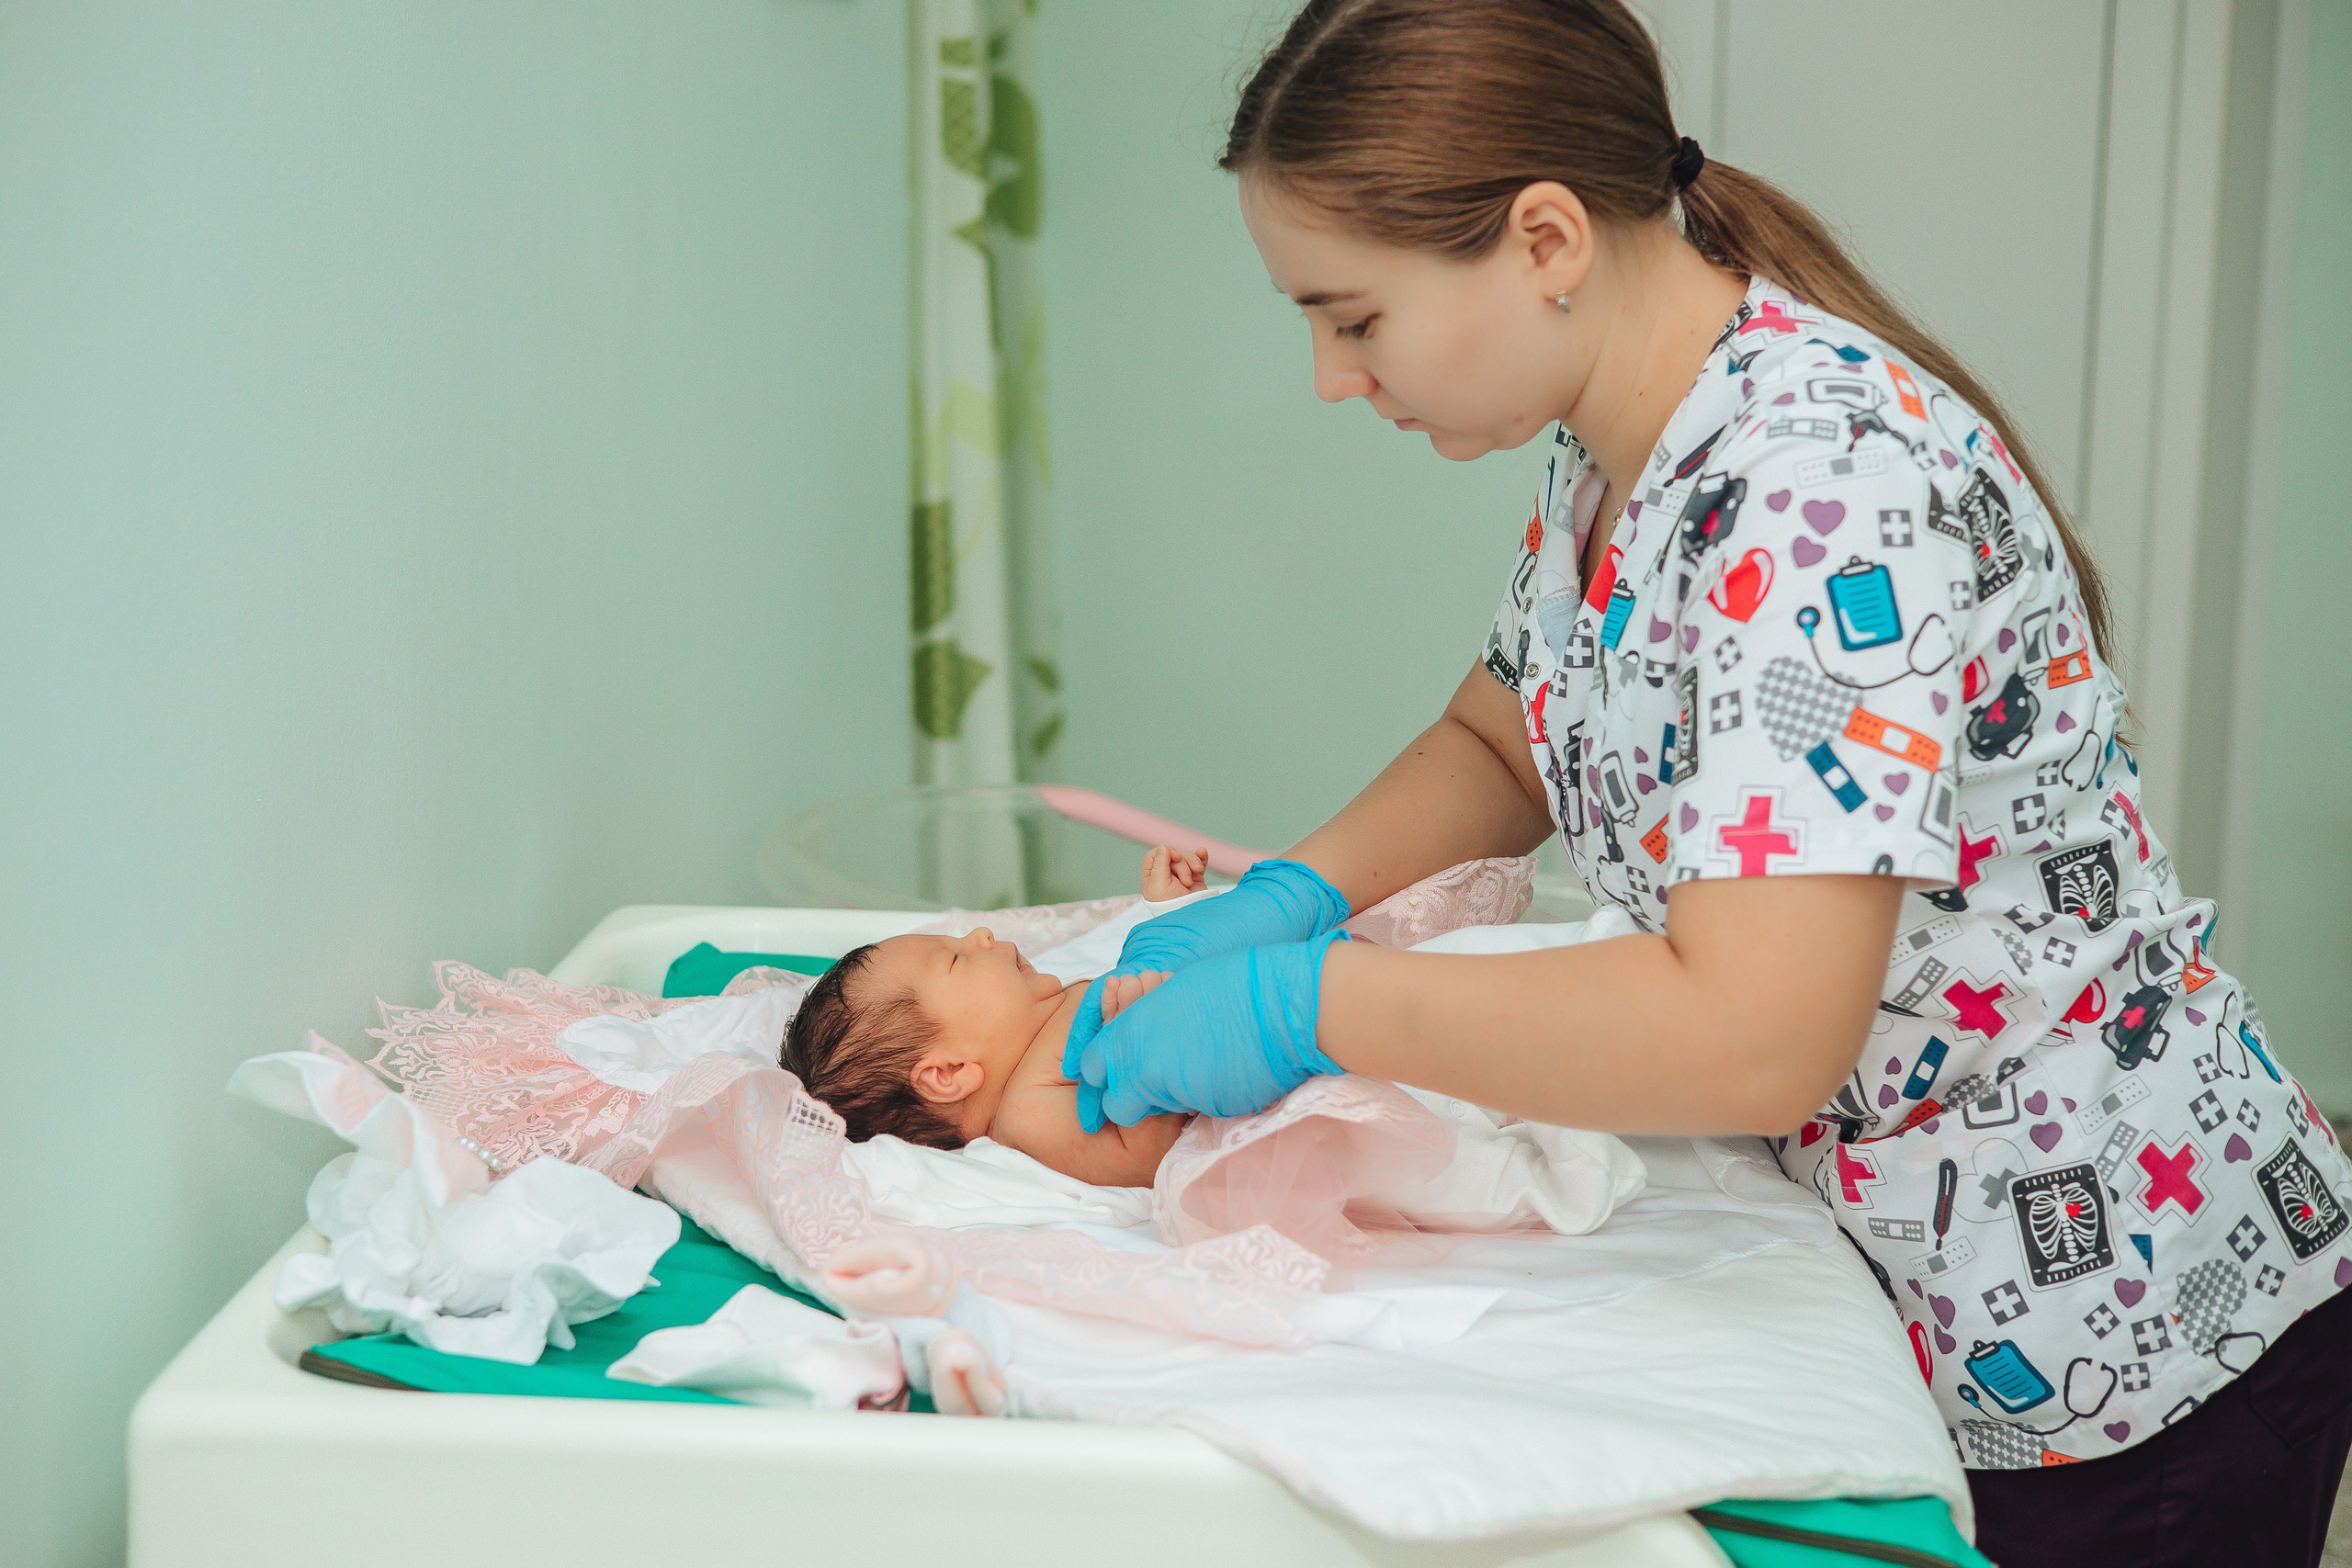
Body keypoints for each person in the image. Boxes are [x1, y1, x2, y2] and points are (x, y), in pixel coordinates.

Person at [1057, 4, 2352, 1563]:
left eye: (1354, 317)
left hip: (2115, 1325)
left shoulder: (1819, 491)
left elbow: (1755, 1035)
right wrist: (1297, 888)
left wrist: (1307, 1003)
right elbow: (1506, 736)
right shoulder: (1618, 447)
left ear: (1544, 240)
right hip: (1915, 1271)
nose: (1334, 377)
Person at [779, 845, 1210, 1185]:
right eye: (955, 960)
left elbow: (1170, 972)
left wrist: (1176, 919)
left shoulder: (1054, 1011)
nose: (981, 935)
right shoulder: (1028, 1113)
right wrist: (1140, 1044)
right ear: (948, 1072)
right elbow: (1141, 1162)